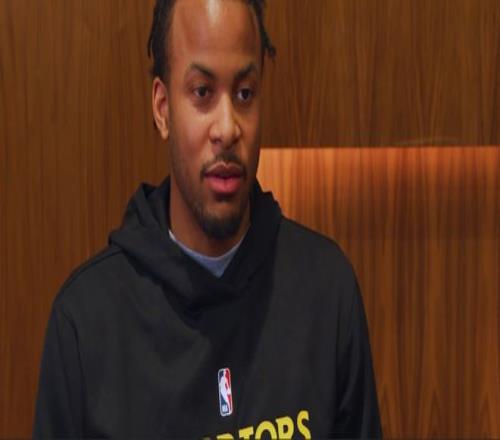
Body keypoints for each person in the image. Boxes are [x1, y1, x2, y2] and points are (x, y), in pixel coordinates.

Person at [33, 0, 382, 438]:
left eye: (245, 94)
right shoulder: (86, 322)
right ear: (162, 108)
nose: (227, 128)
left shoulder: (326, 290)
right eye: (202, 92)